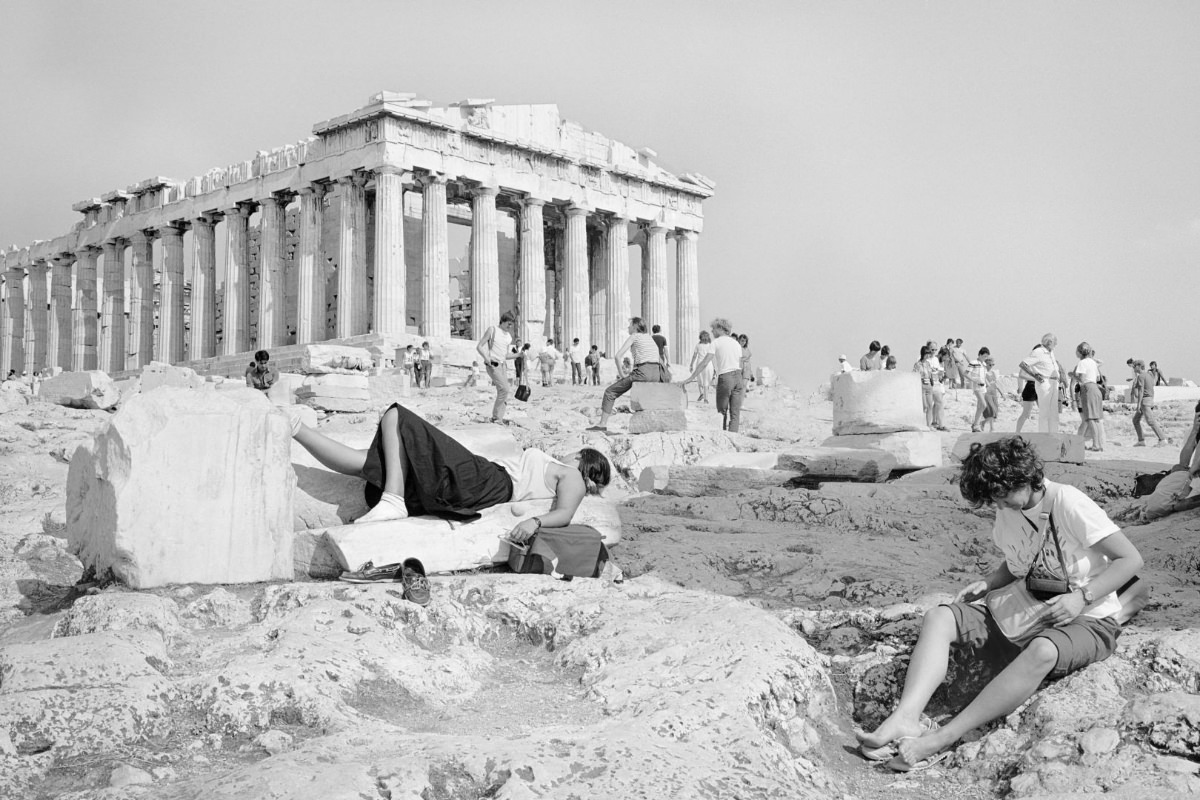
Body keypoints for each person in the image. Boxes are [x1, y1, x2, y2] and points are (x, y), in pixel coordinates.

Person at [857, 436, 1142, 772]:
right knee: (940, 617)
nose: (999, 503)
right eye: (993, 497)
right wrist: (990, 583)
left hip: (1089, 618)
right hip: (1029, 608)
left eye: (1002, 493)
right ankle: (906, 717)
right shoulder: (1008, 508)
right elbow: (1020, 562)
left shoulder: (1068, 501)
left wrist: (1081, 598)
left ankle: (943, 737)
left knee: (1043, 651)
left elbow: (1130, 559)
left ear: (1022, 476)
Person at [289, 404, 612, 530]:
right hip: (478, 478)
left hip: (483, 480)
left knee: (397, 416)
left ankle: (394, 501)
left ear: (584, 461)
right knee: (369, 462)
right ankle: (296, 429)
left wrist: (535, 523)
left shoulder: (573, 476)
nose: (568, 454)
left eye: (575, 453)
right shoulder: (563, 471)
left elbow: (565, 514)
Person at [588, 317, 665, 432]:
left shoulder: (634, 336)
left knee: (610, 392)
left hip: (643, 373)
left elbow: (618, 356)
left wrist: (622, 374)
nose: (628, 327)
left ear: (635, 327)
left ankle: (602, 424)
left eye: (630, 325)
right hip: (656, 373)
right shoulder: (649, 338)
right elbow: (659, 359)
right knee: (642, 398)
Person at [1135, 401, 1200, 522]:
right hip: (1194, 476)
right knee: (1177, 469)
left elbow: (1194, 468)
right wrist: (1195, 431)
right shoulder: (1194, 430)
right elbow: (1183, 463)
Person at [681, 317, 744, 433]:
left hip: (726, 377)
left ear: (720, 328)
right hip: (738, 377)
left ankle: (724, 437)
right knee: (735, 413)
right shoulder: (736, 343)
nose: (712, 331)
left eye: (713, 328)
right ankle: (733, 435)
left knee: (722, 411)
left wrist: (691, 377)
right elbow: (739, 363)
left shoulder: (716, 343)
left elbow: (704, 362)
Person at [476, 311, 519, 424]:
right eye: (508, 324)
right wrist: (486, 358)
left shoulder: (508, 337)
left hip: (503, 365)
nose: (510, 327)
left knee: (504, 391)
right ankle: (496, 417)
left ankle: (499, 418)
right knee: (505, 389)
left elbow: (506, 355)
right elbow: (479, 346)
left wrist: (519, 355)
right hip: (493, 364)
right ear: (503, 321)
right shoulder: (492, 330)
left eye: (511, 324)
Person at [1019, 334, 1062, 434]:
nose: (1055, 346)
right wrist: (1035, 376)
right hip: (1045, 383)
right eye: (1055, 343)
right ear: (1049, 342)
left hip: (1053, 382)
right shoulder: (1038, 352)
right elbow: (1023, 364)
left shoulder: (1050, 353)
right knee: (1045, 412)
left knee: (1053, 412)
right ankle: (1044, 435)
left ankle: (1053, 434)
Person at [1070, 342, 1106, 452]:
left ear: (1079, 352)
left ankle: (1095, 444)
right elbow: (1097, 377)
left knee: (1090, 418)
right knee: (1096, 419)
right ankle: (1099, 444)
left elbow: (1081, 379)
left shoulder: (1082, 363)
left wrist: (1072, 375)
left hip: (1087, 388)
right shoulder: (1092, 362)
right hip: (1096, 388)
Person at [1130, 359, 1167, 447]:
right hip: (1149, 399)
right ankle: (1141, 440)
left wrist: (1138, 404)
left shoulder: (1141, 376)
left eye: (1134, 366)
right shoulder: (1149, 375)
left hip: (1145, 401)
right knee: (1135, 420)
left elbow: (1141, 391)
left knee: (1150, 420)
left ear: (1139, 366)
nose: (1133, 368)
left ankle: (1162, 439)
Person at [689, 330, 715, 403]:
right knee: (706, 380)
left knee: (699, 379)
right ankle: (706, 398)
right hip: (708, 363)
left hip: (700, 362)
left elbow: (694, 356)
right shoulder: (710, 345)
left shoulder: (698, 345)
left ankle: (701, 393)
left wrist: (691, 364)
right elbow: (712, 356)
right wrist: (714, 366)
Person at [968, 348, 989, 432]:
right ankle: (976, 424)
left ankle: (975, 425)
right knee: (984, 405)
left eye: (986, 357)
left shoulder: (984, 364)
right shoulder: (973, 363)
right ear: (979, 355)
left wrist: (988, 383)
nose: (985, 358)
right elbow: (966, 373)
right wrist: (974, 380)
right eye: (984, 356)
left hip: (983, 387)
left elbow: (984, 376)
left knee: (979, 406)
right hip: (977, 387)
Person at [982, 356, 1001, 432]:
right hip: (987, 393)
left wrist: (1001, 392)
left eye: (993, 365)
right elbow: (986, 383)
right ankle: (992, 428)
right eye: (990, 364)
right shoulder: (983, 372)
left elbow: (996, 383)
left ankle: (983, 423)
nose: (991, 366)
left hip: (994, 392)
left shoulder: (993, 372)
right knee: (991, 410)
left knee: (995, 411)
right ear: (986, 364)